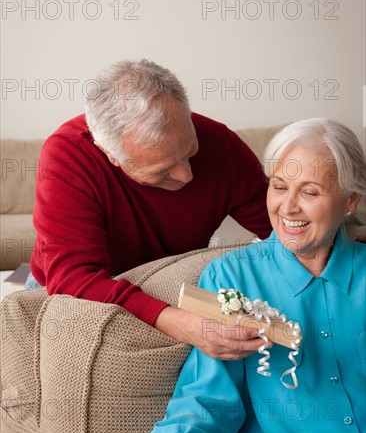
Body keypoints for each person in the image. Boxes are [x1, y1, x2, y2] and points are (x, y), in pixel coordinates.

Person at [147, 118, 366, 433]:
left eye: (309, 192)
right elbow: (205, 404)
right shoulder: (231, 277)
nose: (288, 207)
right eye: (279, 187)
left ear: (350, 201)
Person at [28, 59, 272, 358]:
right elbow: (74, 277)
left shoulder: (222, 144)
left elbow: (280, 227)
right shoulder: (68, 156)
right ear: (111, 155)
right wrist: (180, 323)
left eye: (190, 151)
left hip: (166, 285)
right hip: (73, 291)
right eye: (163, 169)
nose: (186, 175)